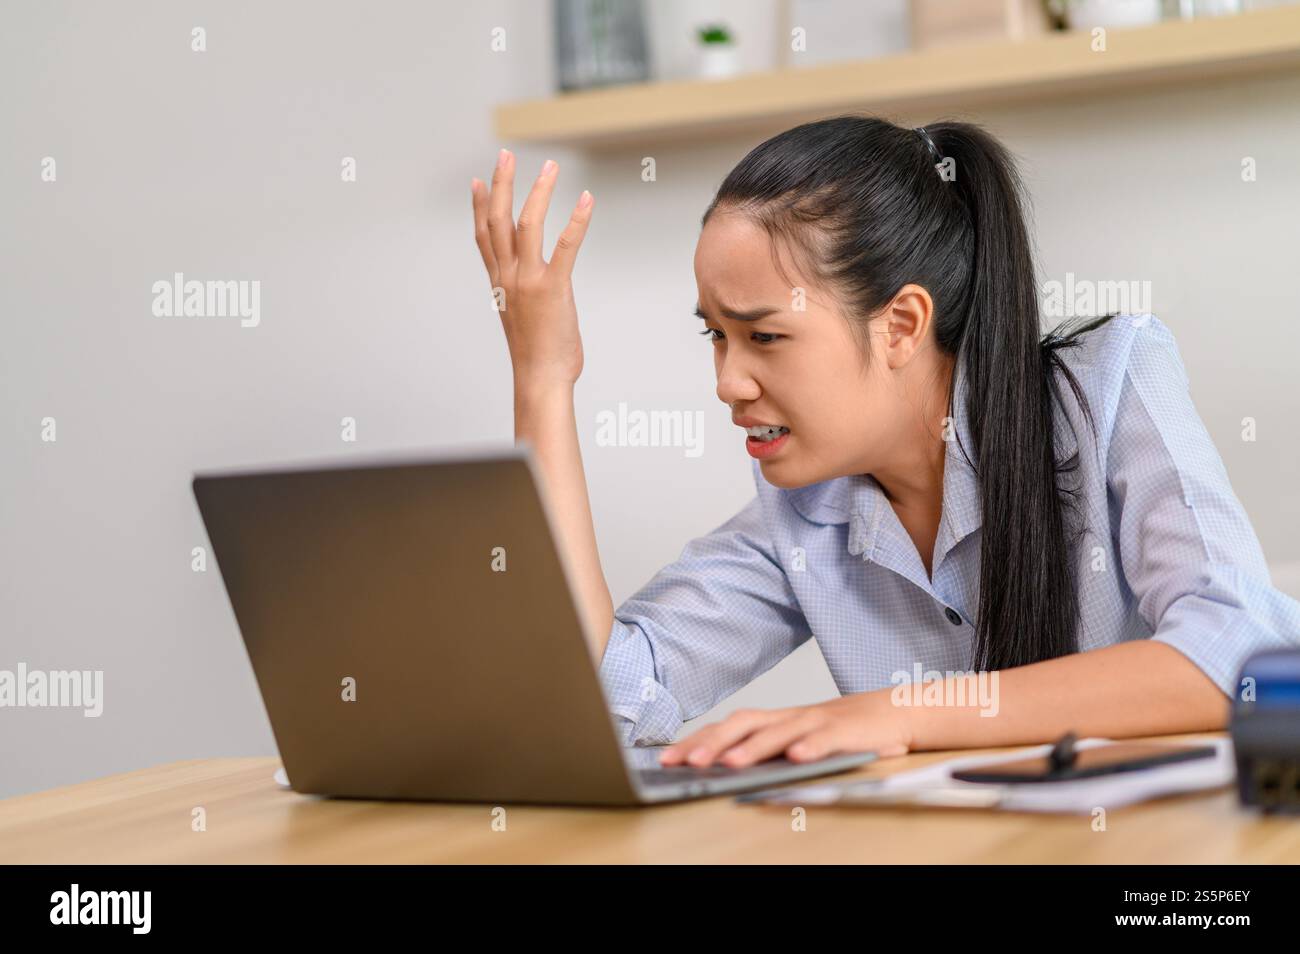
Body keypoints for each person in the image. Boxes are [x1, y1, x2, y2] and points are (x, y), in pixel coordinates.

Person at [468, 115, 1300, 771]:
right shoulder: (804, 511)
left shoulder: (1111, 383)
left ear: (901, 324)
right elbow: (607, 699)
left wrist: (899, 713)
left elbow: (1239, 654)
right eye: (715, 337)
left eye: (763, 337)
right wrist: (544, 380)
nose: (728, 381)